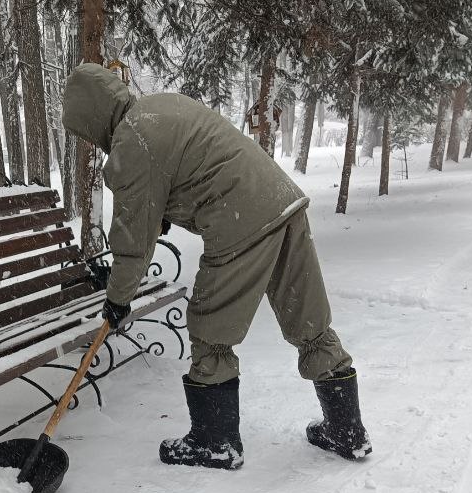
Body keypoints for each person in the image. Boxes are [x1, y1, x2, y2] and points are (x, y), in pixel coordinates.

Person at [62, 63, 371, 470]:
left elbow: (132, 244)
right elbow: (196, 165)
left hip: (241, 220)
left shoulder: (131, 142)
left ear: (91, 118)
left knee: (211, 330)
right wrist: (165, 211)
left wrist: (117, 300)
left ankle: (215, 442)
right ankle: (346, 431)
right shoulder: (160, 106)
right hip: (282, 201)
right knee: (308, 320)